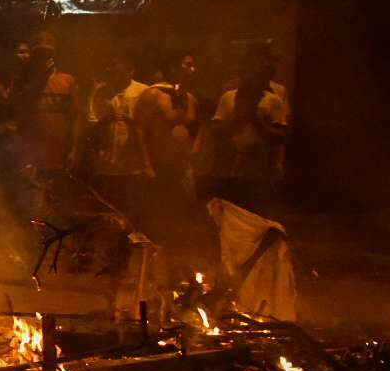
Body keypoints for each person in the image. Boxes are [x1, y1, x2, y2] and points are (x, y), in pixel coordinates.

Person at [205, 46, 289, 215]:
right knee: (229, 216)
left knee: (256, 217)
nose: (252, 75)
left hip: (259, 170)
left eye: (258, 70)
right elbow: (215, 133)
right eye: (248, 69)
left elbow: (280, 137)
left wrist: (254, 119)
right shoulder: (228, 97)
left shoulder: (273, 100)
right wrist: (236, 118)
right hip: (229, 168)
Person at [6, 30, 79, 221]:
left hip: (58, 155)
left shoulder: (67, 80)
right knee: (30, 207)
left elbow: (75, 118)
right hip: (31, 156)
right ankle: (27, 246)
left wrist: (74, 149)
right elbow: (14, 110)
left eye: (47, 53)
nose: (43, 57)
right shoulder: (22, 82)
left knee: (56, 208)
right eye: (39, 53)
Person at [135, 51, 203, 251]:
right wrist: (146, 164)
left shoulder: (190, 99)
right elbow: (138, 128)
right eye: (188, 65)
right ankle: (150, 274)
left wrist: (192, 159)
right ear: (173, 67)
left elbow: (198, 128)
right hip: (158, 168)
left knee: (180, 223)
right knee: (157, 224)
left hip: (180, 170)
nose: (193, 69)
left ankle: (175, 272)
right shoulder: (153, 94)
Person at [81, 52, 151, 217]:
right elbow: (90, 126)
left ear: (129, 70)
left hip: (133, 167)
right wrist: (105, 120)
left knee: (133, 215)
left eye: (115, 66)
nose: (109, 69)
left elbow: (149, 129)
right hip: (106, 167)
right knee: (107, 215)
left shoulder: (143, 92)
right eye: (109, 66)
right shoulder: (100, 92)